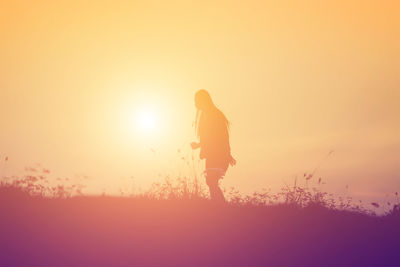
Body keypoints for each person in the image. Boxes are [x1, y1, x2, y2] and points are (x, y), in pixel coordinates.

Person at [190, 89, 236, 202]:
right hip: (213, 154)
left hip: (218, 154)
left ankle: (221, 209)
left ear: (203, 100)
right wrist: (199, 146)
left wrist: (227, 154)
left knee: (211, 182)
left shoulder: (214, 115)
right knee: (211, 182)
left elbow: (221, 136)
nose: (195, 103)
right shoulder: (206, 115)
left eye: (196, 101)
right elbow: (209, 138)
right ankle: (219, 208)